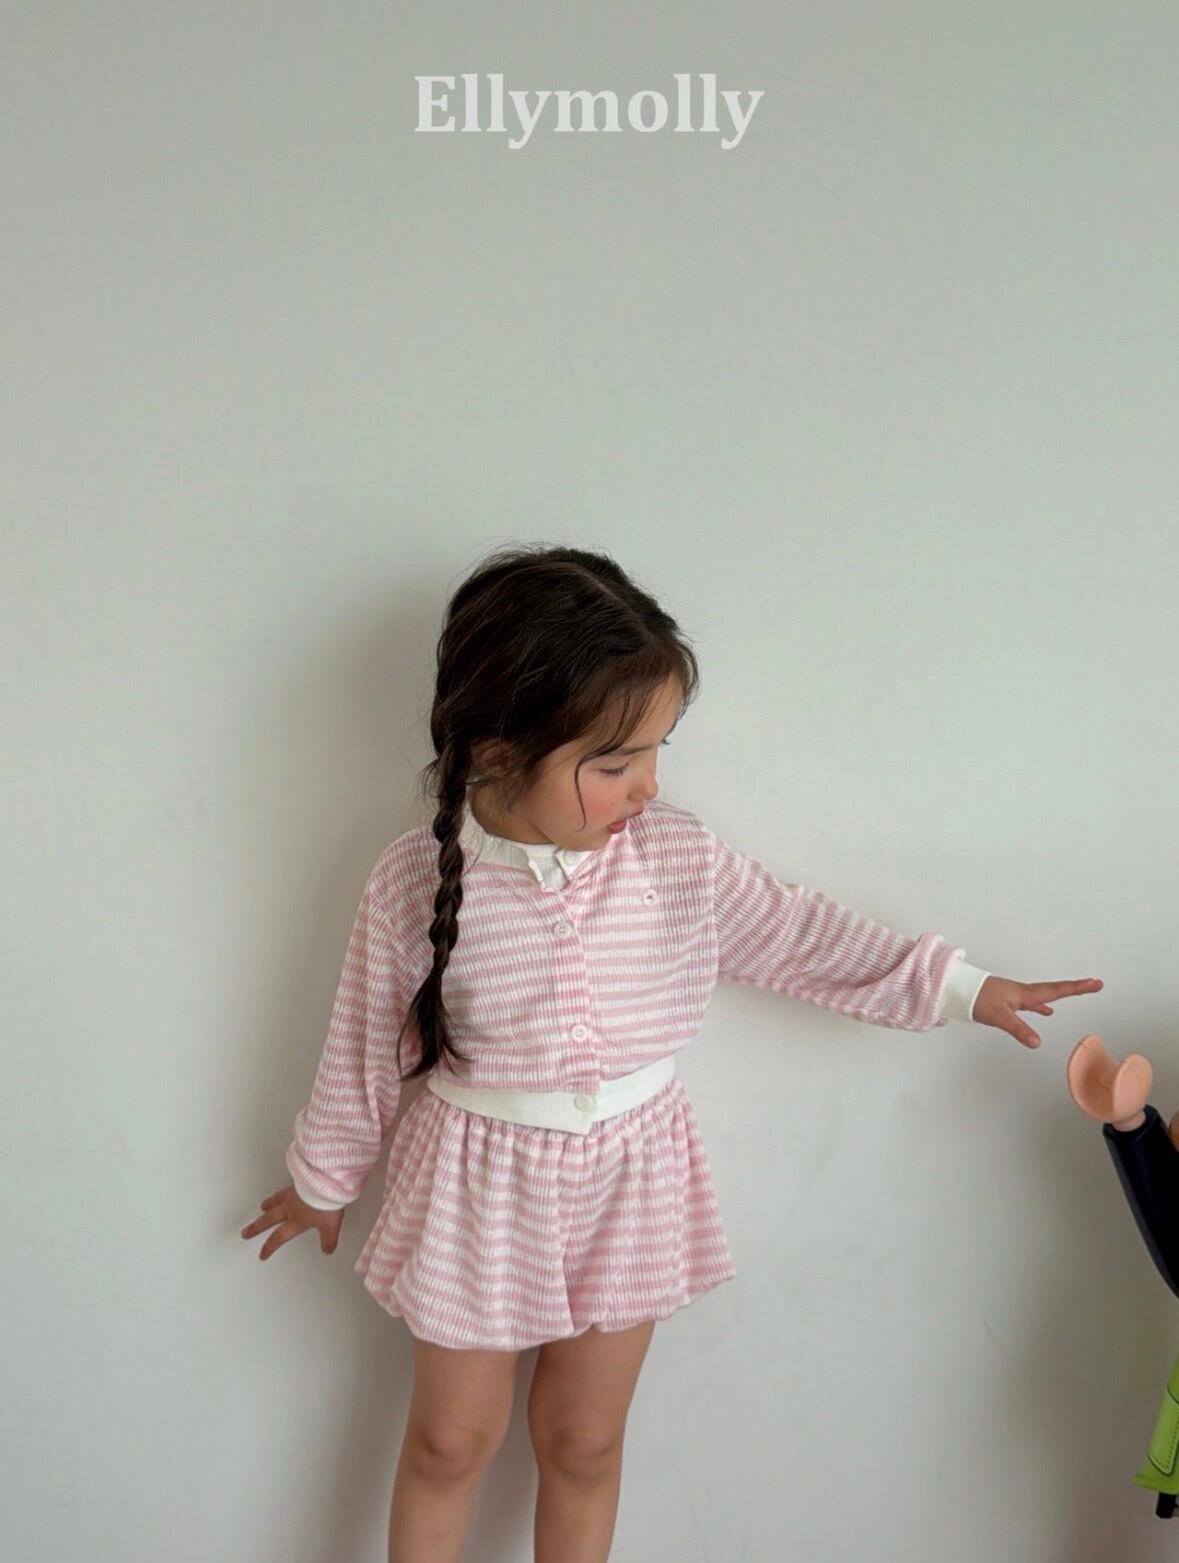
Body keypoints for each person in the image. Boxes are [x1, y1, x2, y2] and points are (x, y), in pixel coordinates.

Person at [241, 543, 1104, 1563]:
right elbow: (362, 1040)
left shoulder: (674, 860)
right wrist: (323, 1180)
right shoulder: (412, 882)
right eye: (613, 764)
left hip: (631, 1181)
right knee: (450, 1440)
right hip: (477, 1189)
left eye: (656, 751)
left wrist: (958, 986)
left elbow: (798, 934)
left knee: (583, 1439)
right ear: (500, 749)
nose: (647, 786)